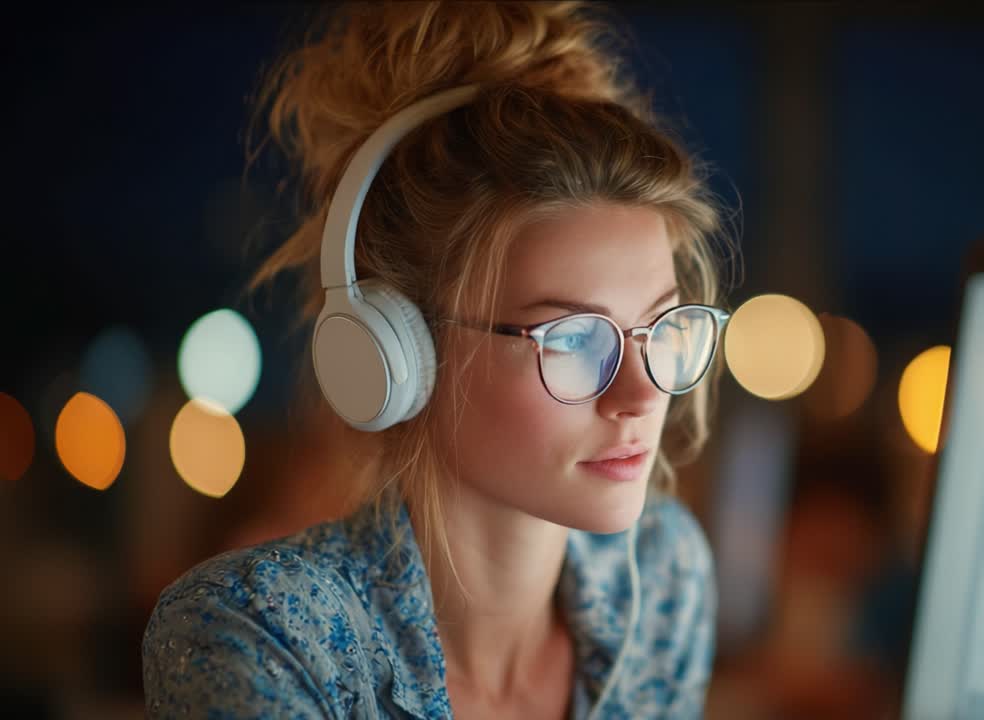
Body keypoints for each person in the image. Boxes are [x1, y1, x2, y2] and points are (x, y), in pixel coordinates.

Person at [140, 2, 737, 718]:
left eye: (660, 326)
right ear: (399, 352)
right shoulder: (261, 635)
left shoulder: (664, 580)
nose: (641, 396)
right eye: (575, 339)